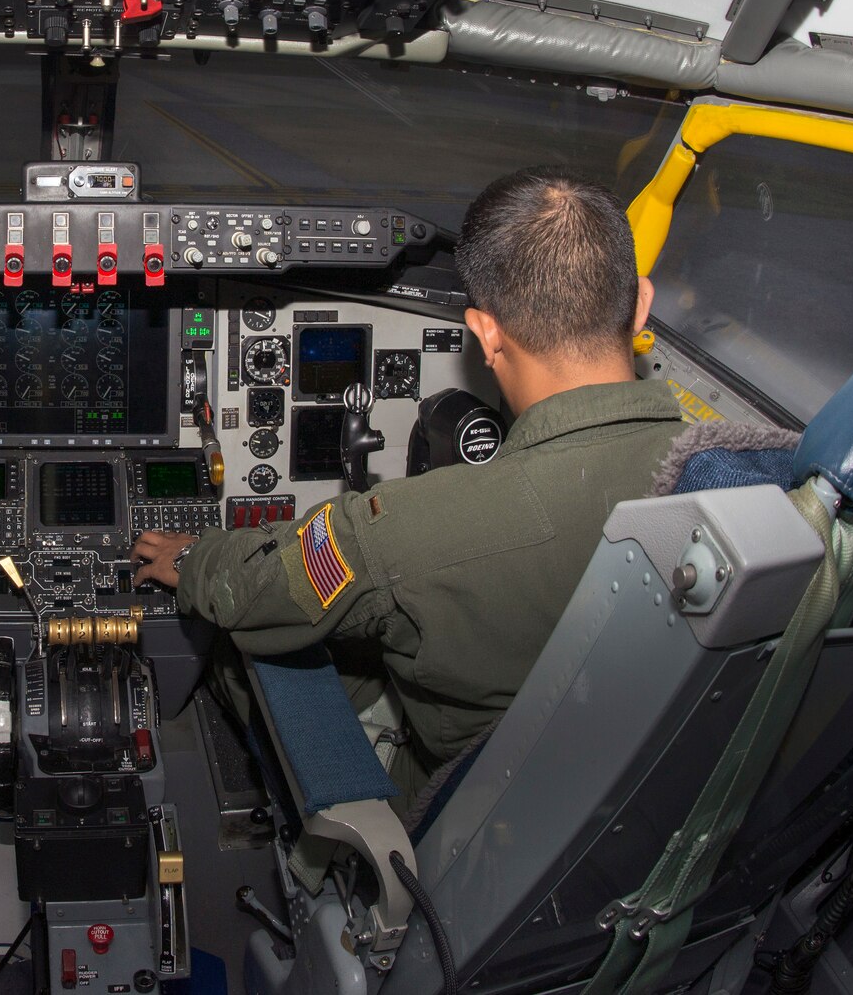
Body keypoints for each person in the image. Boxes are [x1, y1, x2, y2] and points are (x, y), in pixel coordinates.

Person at [131, 167, 684, 798]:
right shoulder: (753, 482)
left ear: (485, 332)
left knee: (245, 644)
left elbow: (257, 589)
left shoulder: (409, 531)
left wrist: (196, 555)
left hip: (465, 809)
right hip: (641, 791)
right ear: (640, 303)